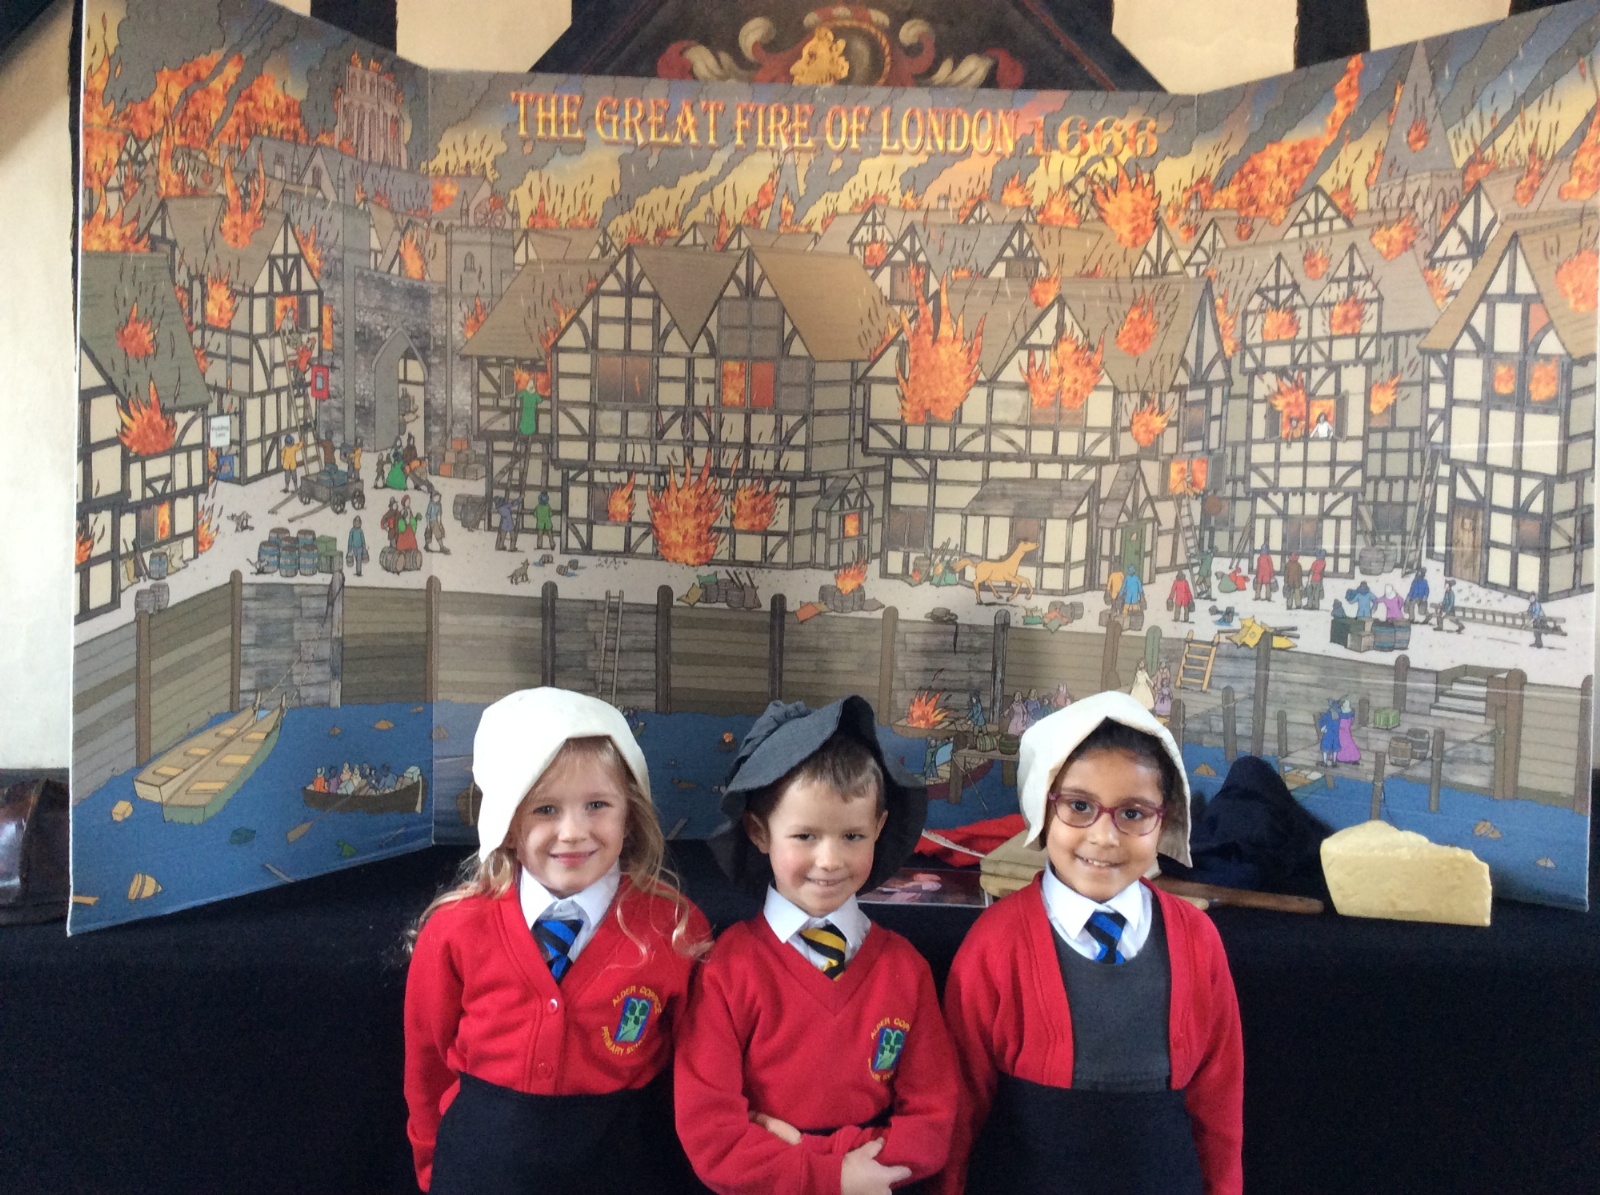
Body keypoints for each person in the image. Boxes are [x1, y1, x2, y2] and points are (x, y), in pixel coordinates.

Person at [403, 688, 710, 1195]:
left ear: (629, 815)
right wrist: (432, 1167)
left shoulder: (675, 928)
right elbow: (426, 1065)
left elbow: (696, 1073)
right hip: (478, 1174)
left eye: (597, 805)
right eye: (545, 809)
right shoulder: (455, 929)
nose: (573, 832)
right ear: (507, 823)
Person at [937, 692, 1243, 1194]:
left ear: (1163, 819)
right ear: (1043, 806)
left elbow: (1220, 1108)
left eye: (1133, 813)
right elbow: (957, 1112)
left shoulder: (1198, 941)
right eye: (1079, 806)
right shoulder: (994, 947)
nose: (1105, 837)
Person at [675, 696, 957, 1195]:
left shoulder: (905, 969)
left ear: (879, 828)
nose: (829, 860)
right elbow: (711, 1136)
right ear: (760, 832)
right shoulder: (726, 970)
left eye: (852, 836)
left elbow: (933, 1123)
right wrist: (831, 1174)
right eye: (805, 836)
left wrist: (821, 1158)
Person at [1317, 700, 1341, 768]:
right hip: (1331, 734)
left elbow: (1321, 720)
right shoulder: (1331, 714)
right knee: (1328, 748)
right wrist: (1324, 727)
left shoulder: (1335, 714)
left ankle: (1331, 762)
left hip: (1332, 734)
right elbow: (1321, 720)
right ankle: (1328, 762)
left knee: (1331, 748)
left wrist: (1323, 727)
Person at [1336, 698, 1360, 764]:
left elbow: (1342, 725)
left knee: (1345, 745)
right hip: (1345, 733)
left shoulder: (1343, 717)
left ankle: (1345, 758)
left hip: (1343, 733)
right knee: (1348, 744)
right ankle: (1350, 757)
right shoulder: (1350, 716)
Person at [424, 489, 448, 554]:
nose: (438, 498)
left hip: (435, 521)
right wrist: (428, 524)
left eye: (439, 497)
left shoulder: (439, 505)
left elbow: (439, 514)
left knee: (438, 533)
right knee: (429, 533)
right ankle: (427, 546)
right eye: (436, 497)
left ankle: (441, 547)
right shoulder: (431, 504)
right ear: (433, 497)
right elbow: (428, 514)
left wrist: (440, 523)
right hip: (430, 521)